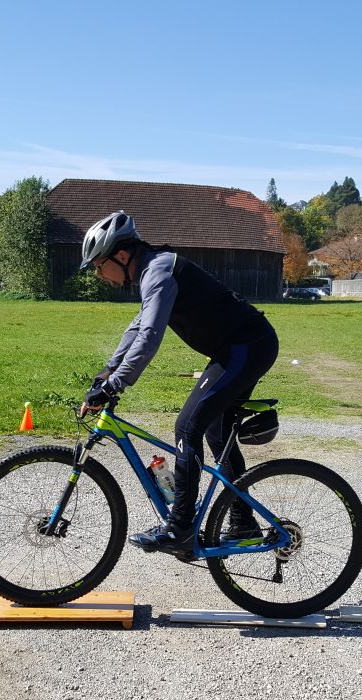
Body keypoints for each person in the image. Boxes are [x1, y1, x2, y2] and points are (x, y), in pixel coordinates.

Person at [78, 210, 279, 556]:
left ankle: (180, 528)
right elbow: (138, 328)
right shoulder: (152, 270)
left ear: (121, 256)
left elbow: (150, 337)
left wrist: (115, 385)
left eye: (99, 265)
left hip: (247, 347)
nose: (99, 274)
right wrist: (107, 372)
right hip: (239, 348)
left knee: (188, 427)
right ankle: (243, 524)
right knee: (216, 432)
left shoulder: (157, 271)